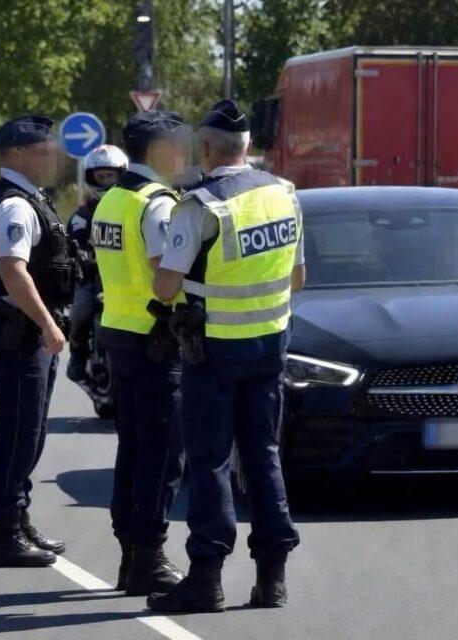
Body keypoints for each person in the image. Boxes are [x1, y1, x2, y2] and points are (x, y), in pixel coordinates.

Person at [147, 100, 306, 612]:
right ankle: (272, 579)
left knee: (211, 459)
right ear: (250, 148)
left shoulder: (200, 205)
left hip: (213, 351)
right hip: (270, 346)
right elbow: (298, 278)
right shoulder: (284, 195)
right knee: (263, 454)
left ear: (209, 149)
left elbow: (166, 286)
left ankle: (207, 578)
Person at [91, 110, 189, 596]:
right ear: (159, 150)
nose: (184, 153)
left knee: (132, 450)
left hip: (119, 333)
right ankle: (148, 556)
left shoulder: (111, 198)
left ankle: (132, 556)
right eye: (178, 144)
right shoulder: (158, 205)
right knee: (162, 454)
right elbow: (164, 278)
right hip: (156, 338)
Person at [0, 115, 77, 567]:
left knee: (30, 432)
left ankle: (18, 518)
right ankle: (4, 533)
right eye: (42, 150)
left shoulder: (31, 199)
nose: (52, 157)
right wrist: (47, 323)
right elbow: (13, 272)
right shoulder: (15, 206)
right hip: (19, 331)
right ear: (16, 154)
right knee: (18, 433)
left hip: (27, 329)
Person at [66, 144, 128, 383]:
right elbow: (72, 242)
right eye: (100, 177)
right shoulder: (82, 215)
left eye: (110, 176)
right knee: (80, 310)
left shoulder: (130, 208)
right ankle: (78, 355)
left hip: (123, 279)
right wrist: (79, 256)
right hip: (92, 278)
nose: (105, 181)